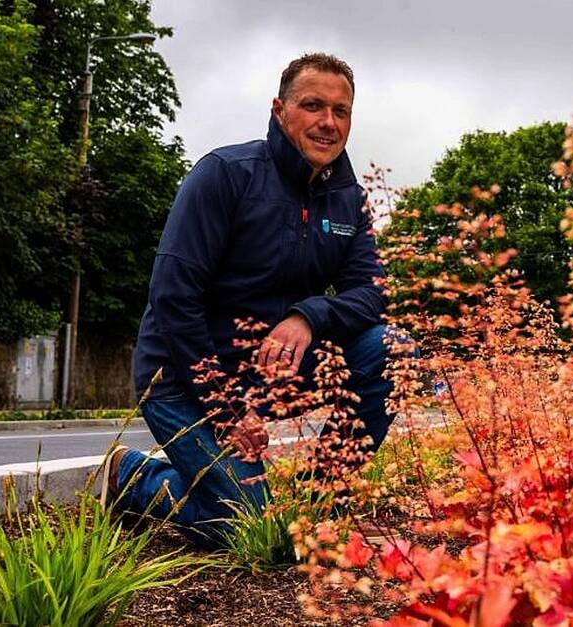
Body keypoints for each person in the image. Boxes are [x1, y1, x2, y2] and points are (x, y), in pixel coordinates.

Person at [104, 53, 394, 549]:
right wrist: (228, 410)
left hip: (272, 377)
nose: (328, 122)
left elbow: (372, 295)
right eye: (312, 105)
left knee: (392, 347)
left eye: (340, 111)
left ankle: (318, 508)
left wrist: (309, 315)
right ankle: (133, 476)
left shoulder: (349, 200)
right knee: (246, 527)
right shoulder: (224, 174)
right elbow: (174, 300)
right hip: (184, 380)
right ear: (280, 110)